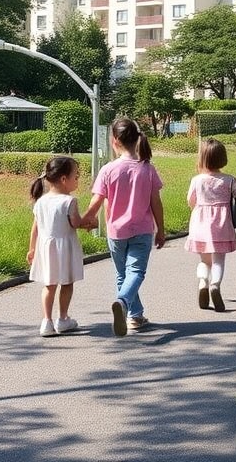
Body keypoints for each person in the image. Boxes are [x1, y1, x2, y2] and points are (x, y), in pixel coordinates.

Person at [80, 118, 165, 336]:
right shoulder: (147, 169)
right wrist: (161, 230)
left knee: (122, 274)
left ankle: (134, 315)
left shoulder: (108, 169)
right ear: (137, 139)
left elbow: (97, 200)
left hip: (116, 232)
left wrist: (85, 219)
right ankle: (125, 303)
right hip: (142, 230)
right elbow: (156, 202)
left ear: (114, 140)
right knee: (135, 272)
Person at [184, 137, 236, 311]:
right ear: (222, 159)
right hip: (221, 226)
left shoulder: (197, 180)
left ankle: (202, 283)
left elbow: (190, 201)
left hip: (200, 225)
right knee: (218, 261)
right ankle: (215, 285)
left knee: (204, 261)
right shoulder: (228, 180)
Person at [27, 155, 90, 337]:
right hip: (65, 248)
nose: (77, 180)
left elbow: (35, 228)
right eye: (76, 177)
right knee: (67, 283)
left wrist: (31, 249)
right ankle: (63, 319)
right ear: (64, 179)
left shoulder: (40, 202)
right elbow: (75, 223)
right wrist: (90, 223)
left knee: (49, 284)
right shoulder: (69, 201)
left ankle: (46, 321)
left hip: (46, 248)